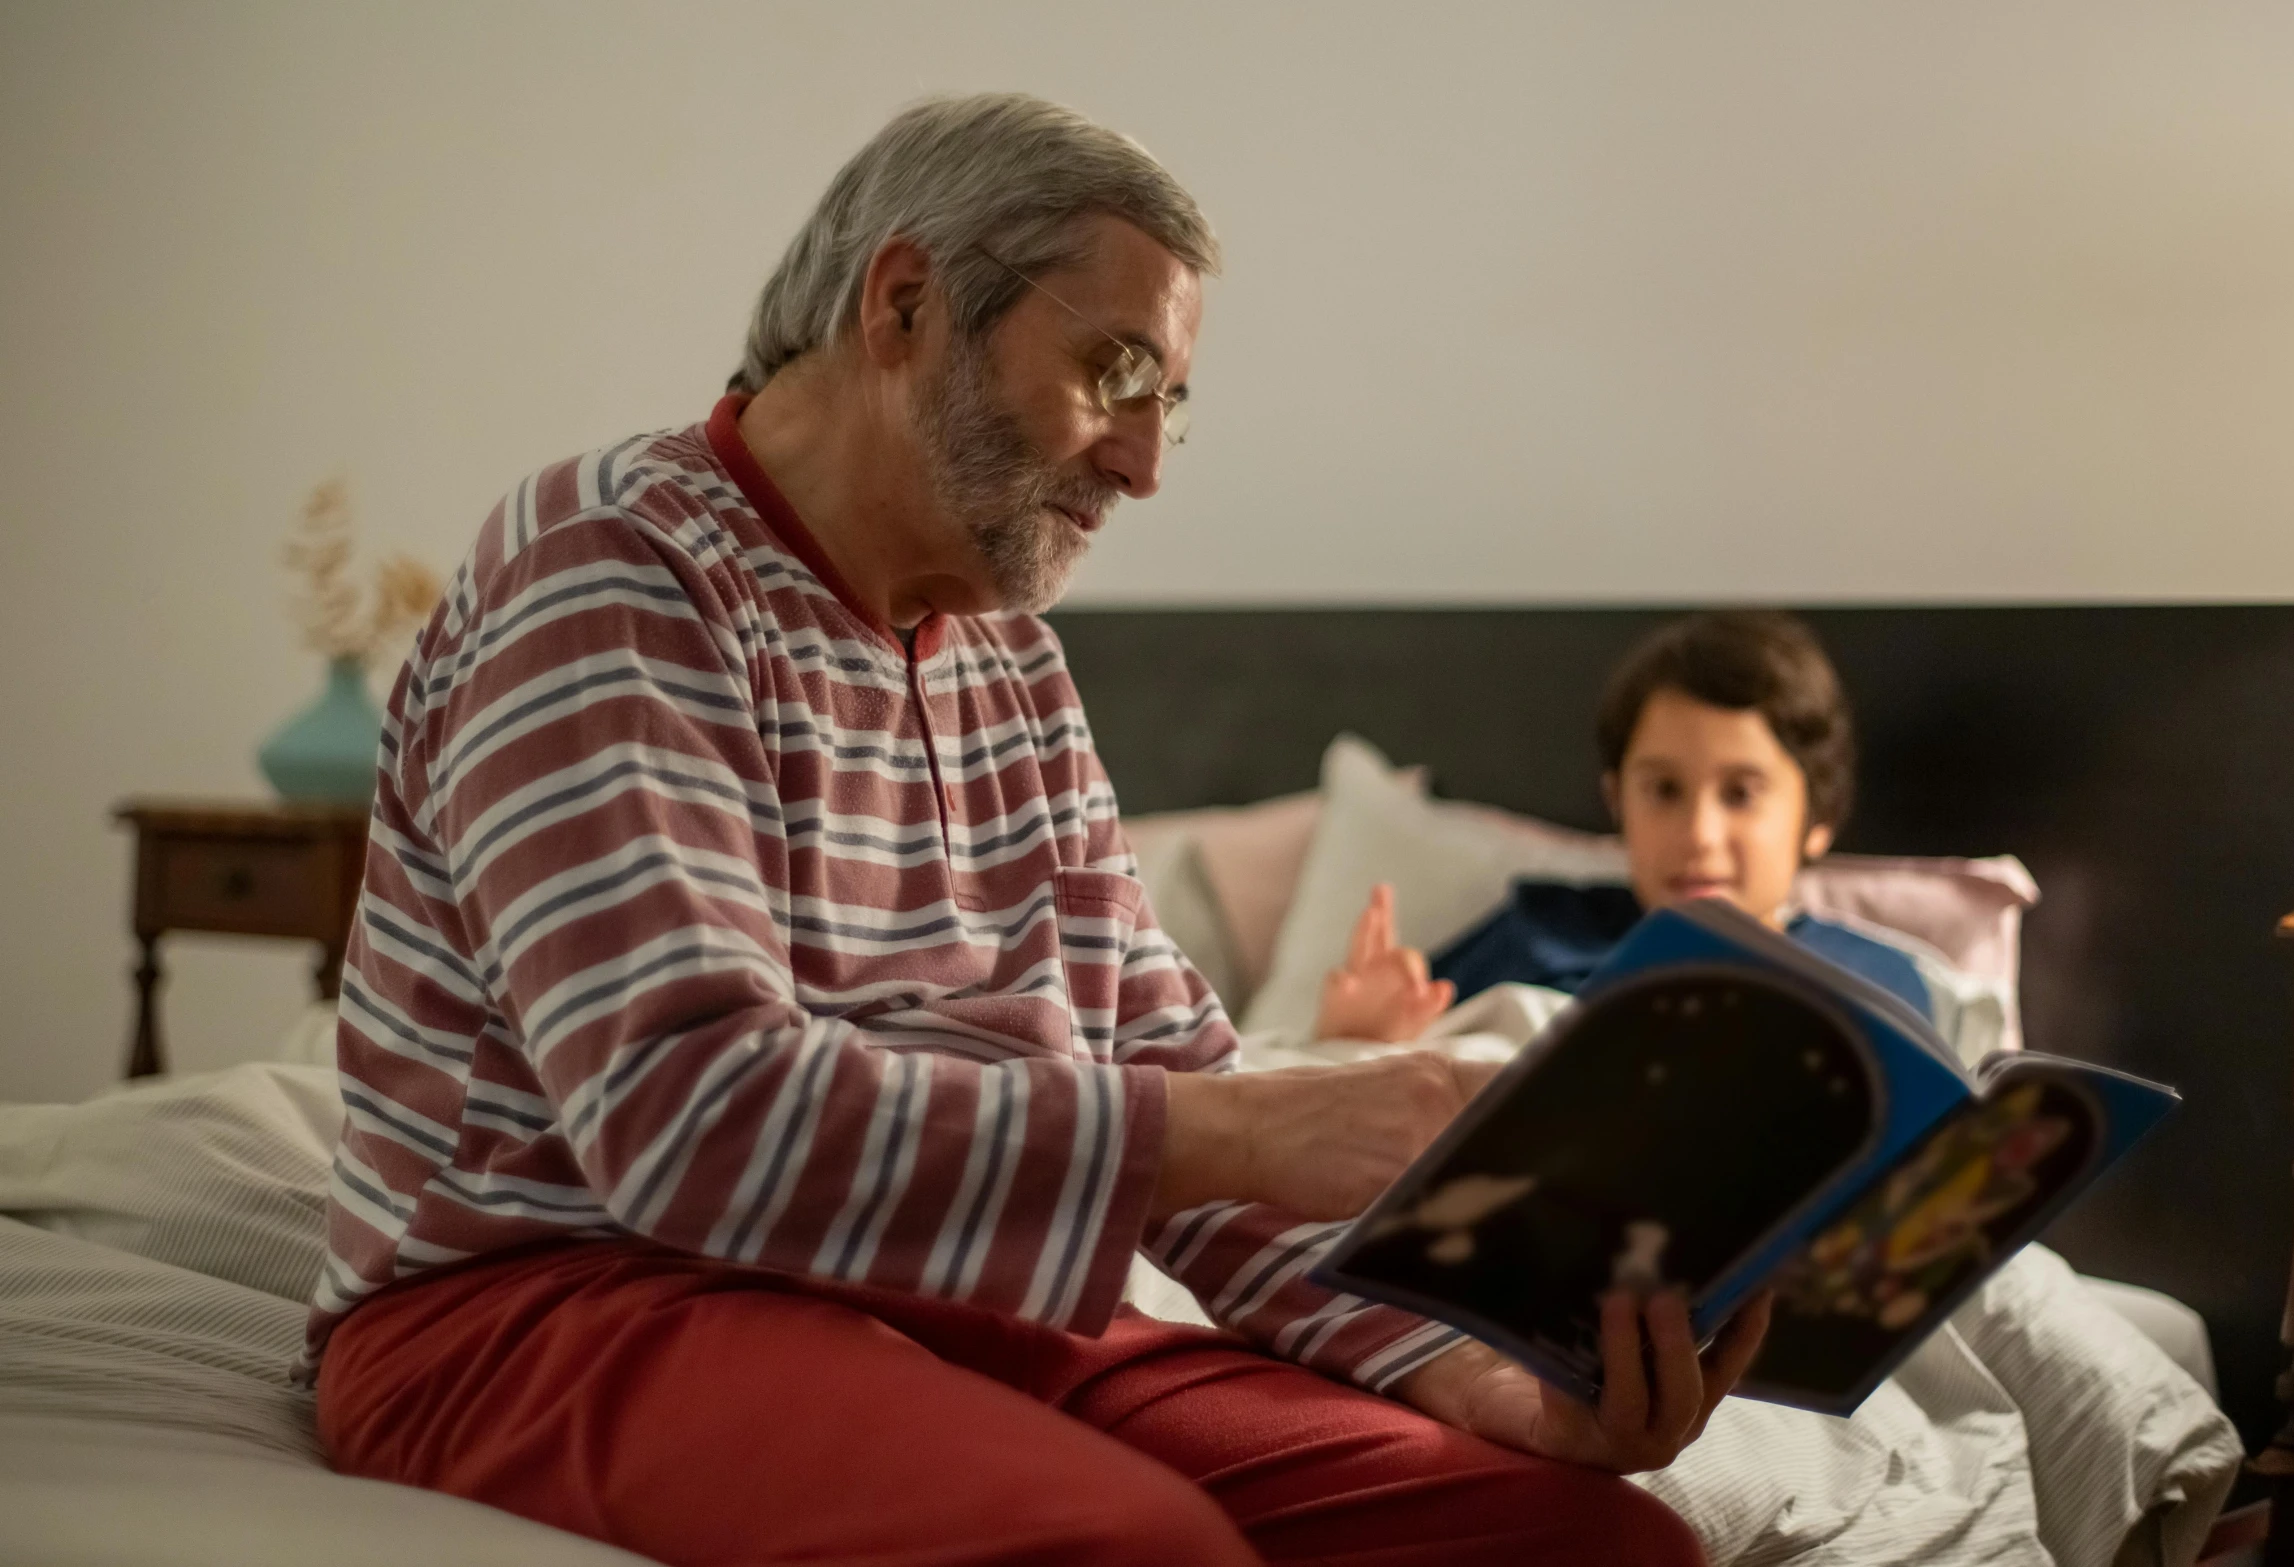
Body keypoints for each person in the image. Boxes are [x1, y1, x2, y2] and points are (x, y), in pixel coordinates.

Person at [307, 94, 1764, 1567]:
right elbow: (689, 1115)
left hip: (949, 1293)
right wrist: (1260, 1119)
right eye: (1113, 371)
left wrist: (1479, 1377)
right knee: (1134, 1550)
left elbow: (1162, 1059)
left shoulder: (1009, 663)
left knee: (1592, 1542)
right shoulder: (607, 564)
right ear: (903, 304)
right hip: (552, 1300)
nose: (1144, 465)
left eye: (1168, 403)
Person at [1319, 611, 1959, 1040]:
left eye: (1740, 794)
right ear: (1617, 801)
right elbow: (1386, 1091)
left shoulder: (1886, 982)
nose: (1699, 834)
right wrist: (1351, 1041)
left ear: (1820, 816)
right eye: (1664, 791)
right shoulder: (1534, 938)